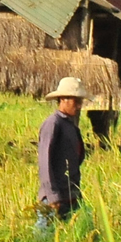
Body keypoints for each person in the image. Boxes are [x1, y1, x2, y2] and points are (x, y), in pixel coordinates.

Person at [36, 77, 90, 232]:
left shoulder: (71, 126)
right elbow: (45, 162)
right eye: (75, 101)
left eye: (80, 101)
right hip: (54, 197)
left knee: (75, 237)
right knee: (44, 241)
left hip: (70, 196)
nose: (79, 106)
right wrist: (53, 196)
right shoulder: (53, 124)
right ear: (63, 99)